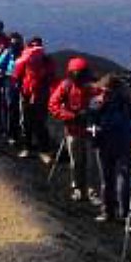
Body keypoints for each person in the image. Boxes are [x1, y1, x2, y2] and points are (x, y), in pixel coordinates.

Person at [49, 57, 97, 202]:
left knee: (90, 163)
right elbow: (53, 105)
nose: (79, 76)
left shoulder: (92, 87)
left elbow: (102, 102)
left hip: (89, 130)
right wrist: (72, 116)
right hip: (74, 129)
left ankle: (91, 190)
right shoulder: (66, 86)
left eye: (81, 73)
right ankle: (78, 187)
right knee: (77, 161)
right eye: (77, 74)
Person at [90, 74, 131, 223]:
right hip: (119, 144)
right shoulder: (126, 103)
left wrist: (95, 128)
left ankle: (112, 213)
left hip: (110, 144)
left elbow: (91, 121)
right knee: (118, 180)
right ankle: (122, 215)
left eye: (106, 90)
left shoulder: (100, 102)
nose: (104, 93)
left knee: (112, 180)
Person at [13, 36, 55, 164]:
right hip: (26, 94)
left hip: (41, 95)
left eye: (38, 45)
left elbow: (51, 77)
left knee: (40, 123)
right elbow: (16, 75)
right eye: (33, 45)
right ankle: (27, 148)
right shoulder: (24, 60)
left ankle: (44, 151)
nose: (36, 48)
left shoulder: (47, 61)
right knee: (26, 122)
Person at [0, 32, 24, 144]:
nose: (14, 44)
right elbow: (0, 63)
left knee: (10, 106)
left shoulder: (11, 51)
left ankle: (9, 131)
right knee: (11, 106)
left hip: (13, 80)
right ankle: (10, 131)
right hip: (11, 80)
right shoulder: (18, 52)